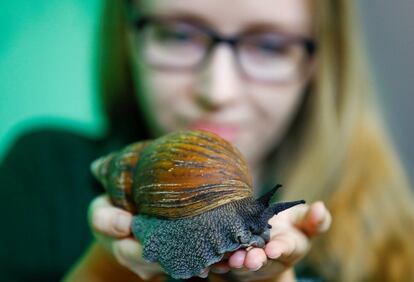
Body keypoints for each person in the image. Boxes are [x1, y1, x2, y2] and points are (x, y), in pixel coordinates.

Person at [1, 0, 413, 281]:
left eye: (268, 45)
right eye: (179, 35)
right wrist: (102, 273)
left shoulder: (395, 242)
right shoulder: (43, 175)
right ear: (127, 35)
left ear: (321, 64)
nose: (218, 91)